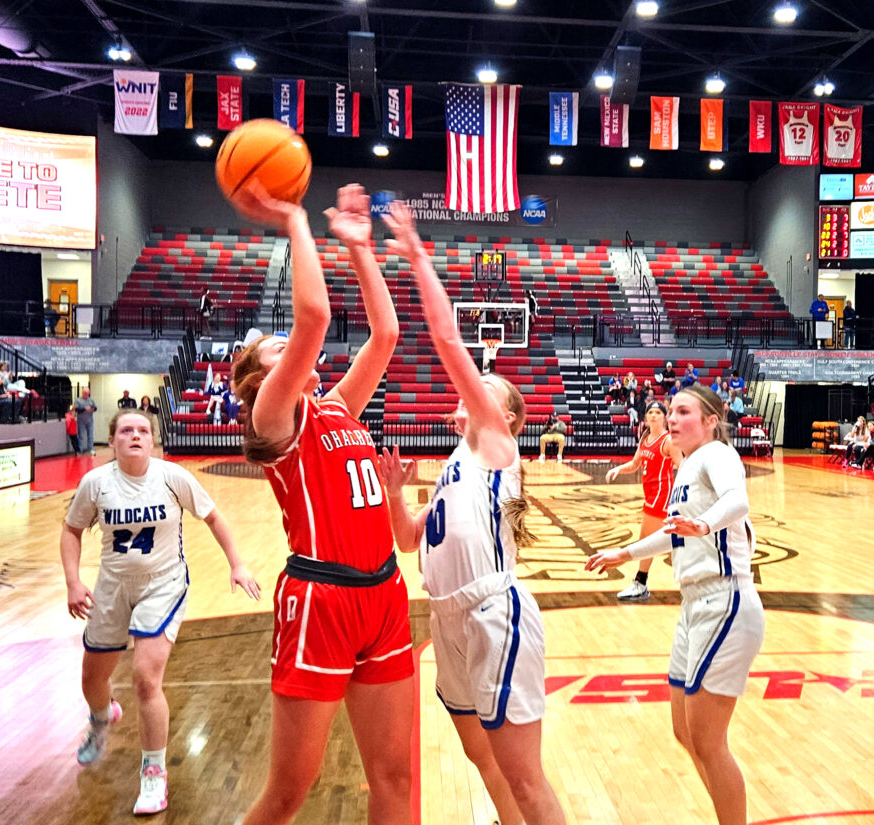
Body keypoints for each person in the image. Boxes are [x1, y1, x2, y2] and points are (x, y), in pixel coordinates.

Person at [379, 199, 566, 825]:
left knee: (525, 776)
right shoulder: (454, 469)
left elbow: (445, 338)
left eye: (488, 389)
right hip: (446, 615)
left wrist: (416, 254)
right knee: (481, 757)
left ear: (506, 416)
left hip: (493, 611)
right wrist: (396, 491)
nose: (473, 387)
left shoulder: (495, 446)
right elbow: (407, 542)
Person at [230, 183, 413, 825]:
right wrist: (297, 222)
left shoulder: (336, 405)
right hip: (320, 600)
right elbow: (314, 317)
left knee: (396, 780)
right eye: (276, 348)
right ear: (257, 375)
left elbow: (385, 334)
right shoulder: (273, 414)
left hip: (385, 593)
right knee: (288, 794)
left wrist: (362, 250)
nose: (293, 345)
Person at [62, 409, 259, 815]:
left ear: (153, 440)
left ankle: (153, 774)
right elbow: (71, 530)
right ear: (112, 440)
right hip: (112, 588)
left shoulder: (173, 477)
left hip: (164, 584)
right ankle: (101, 717)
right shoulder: (96, 483)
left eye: (143, 431)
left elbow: (213, 517)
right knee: (92, 678)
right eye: (126, 431)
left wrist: (236, 564)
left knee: (145, 678)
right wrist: (73, 582)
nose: (135, 436)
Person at [586, 384, 764, 825]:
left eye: (684, 411)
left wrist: (704, 524)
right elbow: (672, 531)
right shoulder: (686, 467)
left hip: (724, 599)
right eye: (670, 411)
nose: (672, 418)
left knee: (708, 740)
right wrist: (625, 554)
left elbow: (737, 501)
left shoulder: (718, 454)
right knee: (684, 733)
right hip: (694, 604)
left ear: (709, 421)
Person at [605, 400, 683, 602]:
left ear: (665, 417)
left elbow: (682, 466)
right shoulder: (646, 438)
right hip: (650, 493)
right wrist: (618, 469)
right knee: (666, 542)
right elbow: (634, 464)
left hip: (662, 494)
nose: (654, 415)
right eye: (651, 412)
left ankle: (640, 583)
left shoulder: (669, 441)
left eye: (658, 412)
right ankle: (692, 581)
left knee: (647, 540)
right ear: (646, 417)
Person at [75, 388, 97, 454]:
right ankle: (80, 450)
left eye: (87, 393)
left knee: (90, 435)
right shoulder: (78, 400)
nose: (86, 395)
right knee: (80, 435)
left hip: (90, 420)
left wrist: (92, 409)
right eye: (85, 393)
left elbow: (95, 407)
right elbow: (76, 409)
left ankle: (91, 449)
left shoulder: (91, 400)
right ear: (82, 393)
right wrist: (84, 409)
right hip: (81, 420)